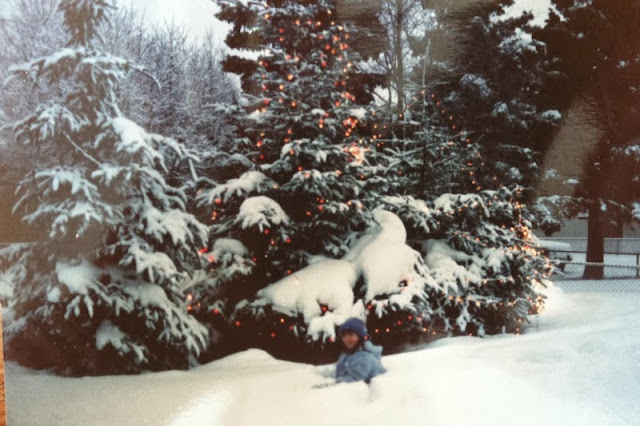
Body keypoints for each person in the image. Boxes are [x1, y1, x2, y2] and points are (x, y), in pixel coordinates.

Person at [334, 317, 386, 384]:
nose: (346, 339)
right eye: (344, 336)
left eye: (350, 335)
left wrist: (329, 385)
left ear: (359, 336)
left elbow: (353, 380)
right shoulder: (349, 354)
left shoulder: (363, 356)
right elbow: (340, 372)